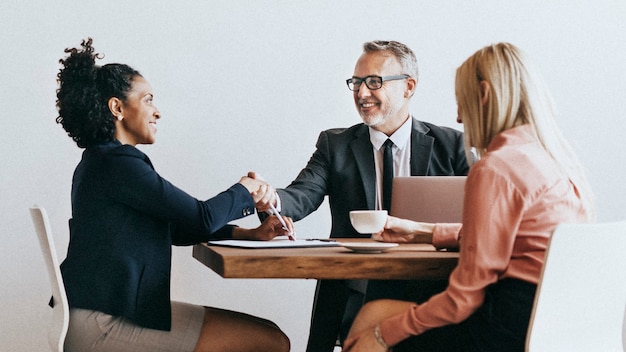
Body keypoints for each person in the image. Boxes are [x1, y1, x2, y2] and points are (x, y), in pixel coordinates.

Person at [343, 42, 596, 352]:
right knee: (375, 315)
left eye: (461, 101)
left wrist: (383, 335)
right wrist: (425, 231)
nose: (459, 118)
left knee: (373, 316)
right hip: (552, 326)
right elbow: (507, 239)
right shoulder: (554, 160)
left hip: (504, 332)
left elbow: (463, 299)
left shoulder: (496, 169)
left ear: (485, 95)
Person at [55, 38, 292, 352]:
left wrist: (249, 234)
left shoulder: (103, 161)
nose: (157, 112)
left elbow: (178, 227)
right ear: (117, 108)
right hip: (104, 325)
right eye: (149, 99)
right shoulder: (118, 164)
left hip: (96, 314)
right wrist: (245, 191)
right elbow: (200, 216)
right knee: (271, 341)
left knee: (269, 333)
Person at [256, 40, 470, 351]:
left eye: (374, 82)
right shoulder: (336, 144)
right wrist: (269, 198)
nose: (361, 93)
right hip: (355, 286)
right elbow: (302, 195)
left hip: (433, 285)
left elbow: (480, 223)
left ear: (408, 87)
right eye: (356, 82)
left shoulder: (453, 147)